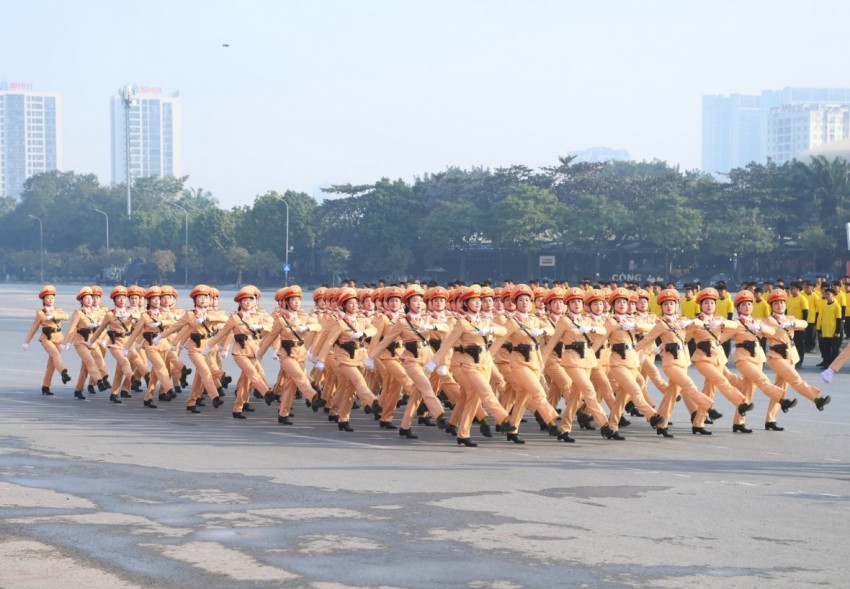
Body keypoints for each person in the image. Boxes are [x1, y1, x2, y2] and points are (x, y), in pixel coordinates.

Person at [427, 284, 517, 447]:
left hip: (485, 363)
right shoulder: (462, 323)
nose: (477, 303)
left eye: (478, 300)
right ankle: (503, 419)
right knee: (486, 392)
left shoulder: (485, 321)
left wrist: (489, 330)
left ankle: (463, 434)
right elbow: (447, 343)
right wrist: (435, 361)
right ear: (465, 304)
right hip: (468, 364)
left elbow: (503, 331)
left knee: (472, 399)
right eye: (473, 300)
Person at [634, 288, 714, 435]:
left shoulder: (683, 321)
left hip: (683, 361)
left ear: (677, 305)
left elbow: (695, 328)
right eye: (665, 305)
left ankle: (661, 424)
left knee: (671, 394)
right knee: (689, 385)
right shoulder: (662, 324)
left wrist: (693, 321)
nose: (669, 306)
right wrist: (633, 351)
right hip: (670, 363)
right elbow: (647, 339)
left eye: (671, 303)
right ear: (662, 308)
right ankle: (708, 407)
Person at [312, 287, 382, 432]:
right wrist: (321, 359)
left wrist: (363, 332)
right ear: (344, 306)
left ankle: (342, 418)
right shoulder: (340, 323)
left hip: (359, 358)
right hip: (344, 359)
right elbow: (329, 341)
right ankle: (371, 402)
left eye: (356, 303)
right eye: (350, 303)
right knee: (359, 381)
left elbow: (374, 330)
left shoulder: (362, 319)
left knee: (348, 390)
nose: (354, 306)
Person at [689, 287, 754, 432]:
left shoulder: (719, 319)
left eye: (712, 303)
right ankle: (741, 402)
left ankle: (698, 424)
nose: (709, 305)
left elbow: (734, 325)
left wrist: (721, 324)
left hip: (718, 359)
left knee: (708, 391)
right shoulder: (697, 321)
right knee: (722, 381)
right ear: (701, 305)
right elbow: (683, 335)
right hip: (702, 359)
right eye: (706, 303)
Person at [258, 285, 325, 423]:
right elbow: (270, 337)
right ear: (287, 302)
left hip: (300, 354)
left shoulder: (304, 317)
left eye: (298, 300)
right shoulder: (281, 320)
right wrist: (260, 353)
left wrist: (307, 327)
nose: (296, 302)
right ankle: (313, 397)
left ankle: (283, 414)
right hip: (286, 355)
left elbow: (319, 327)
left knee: (290, 386)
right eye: (293, 300)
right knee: (300, 376)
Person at [763, 289, 831, 420]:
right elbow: (762, 330)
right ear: (771, 306)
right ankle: (816, 399)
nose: (779, 305)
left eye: (782, 302)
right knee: (795, 379)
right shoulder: (768, 320)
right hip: (776, 355)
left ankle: (770, 420)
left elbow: (804, 323)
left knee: (780, 389)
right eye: (776, 303)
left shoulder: (790, 319)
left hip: (790, 356)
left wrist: (792, 323)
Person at [23, 285, 72, 395]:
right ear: (43, 300)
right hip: (47, 339)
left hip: (59, 338)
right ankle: (64, 373)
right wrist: (26, 342)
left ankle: (46, 386)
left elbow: (66, 316)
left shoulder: (58, 311)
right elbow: (34, 328)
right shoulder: (40, 313)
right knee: (56, 355)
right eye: (48, 297)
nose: (50, 299)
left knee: (51, 364)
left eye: (52, 297)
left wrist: (53, 316)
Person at [62, 286, 110, 399]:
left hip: (92, 341)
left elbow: (104, 322)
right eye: (86, 298)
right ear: (81, 300)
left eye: (90, 298)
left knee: (95, 362)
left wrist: (104, 337)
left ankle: (78, 390)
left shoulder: (95, 312)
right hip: (80, 343)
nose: (89, 300)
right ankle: (99, 382)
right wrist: (66, 342)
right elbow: (72, 328)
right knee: (90, 361)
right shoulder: (78, 313)